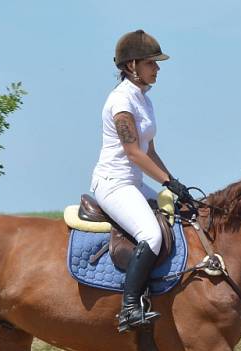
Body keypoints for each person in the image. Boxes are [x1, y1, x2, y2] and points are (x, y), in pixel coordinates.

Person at [90, 29, 194, 333]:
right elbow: (133, 152)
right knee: (151, 234)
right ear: (132, 65)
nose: (157, 68)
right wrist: (165, 182)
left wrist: (173, 183)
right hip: (113, 183)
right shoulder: (121, 101)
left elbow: (150, 151)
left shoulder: (144, 100)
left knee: (178, 216)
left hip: (133, 183)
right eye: (152, 62)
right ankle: (130, 307)